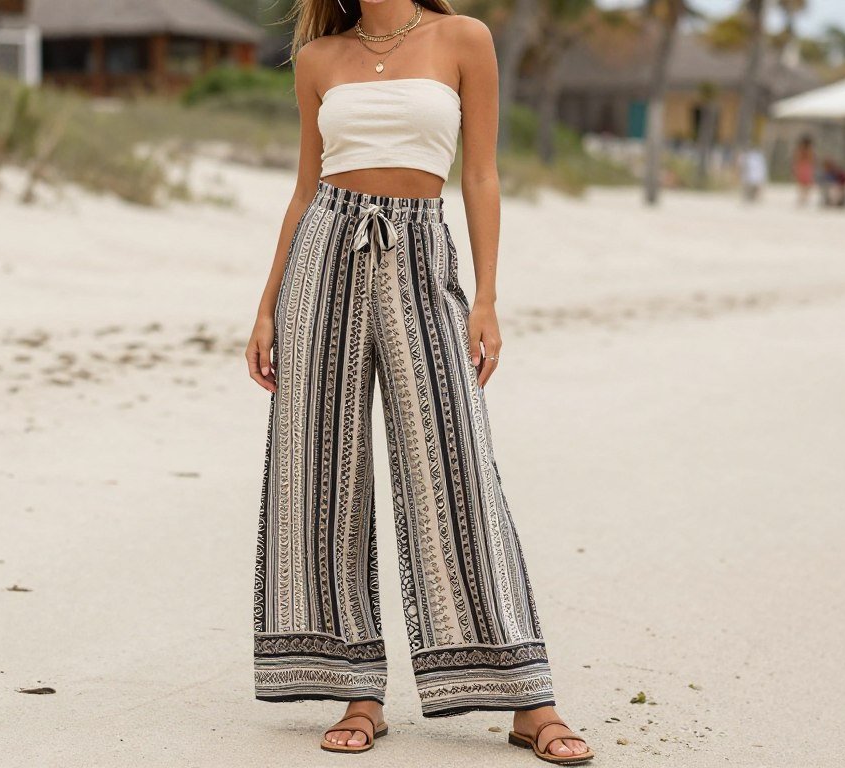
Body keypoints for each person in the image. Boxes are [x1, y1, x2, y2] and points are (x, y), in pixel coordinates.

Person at [244, 0, 594, 763]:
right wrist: (268, 306)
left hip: (420, 253)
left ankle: (530, 699)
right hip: (324, 256)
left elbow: (481, 172)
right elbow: (304, 189)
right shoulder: (318, 59)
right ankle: (359, 692)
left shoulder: (464, 38)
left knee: (457, 468)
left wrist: (488, 298)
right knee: (323, 474)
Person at [792, 135, 816, 207]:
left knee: (802, 184)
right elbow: (812, 159)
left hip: (802, 166)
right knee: (806, 184)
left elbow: (796, 158)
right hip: (806, 166)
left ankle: (803, 197)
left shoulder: (801, 149)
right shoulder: (809, 150)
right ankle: (804, 198)